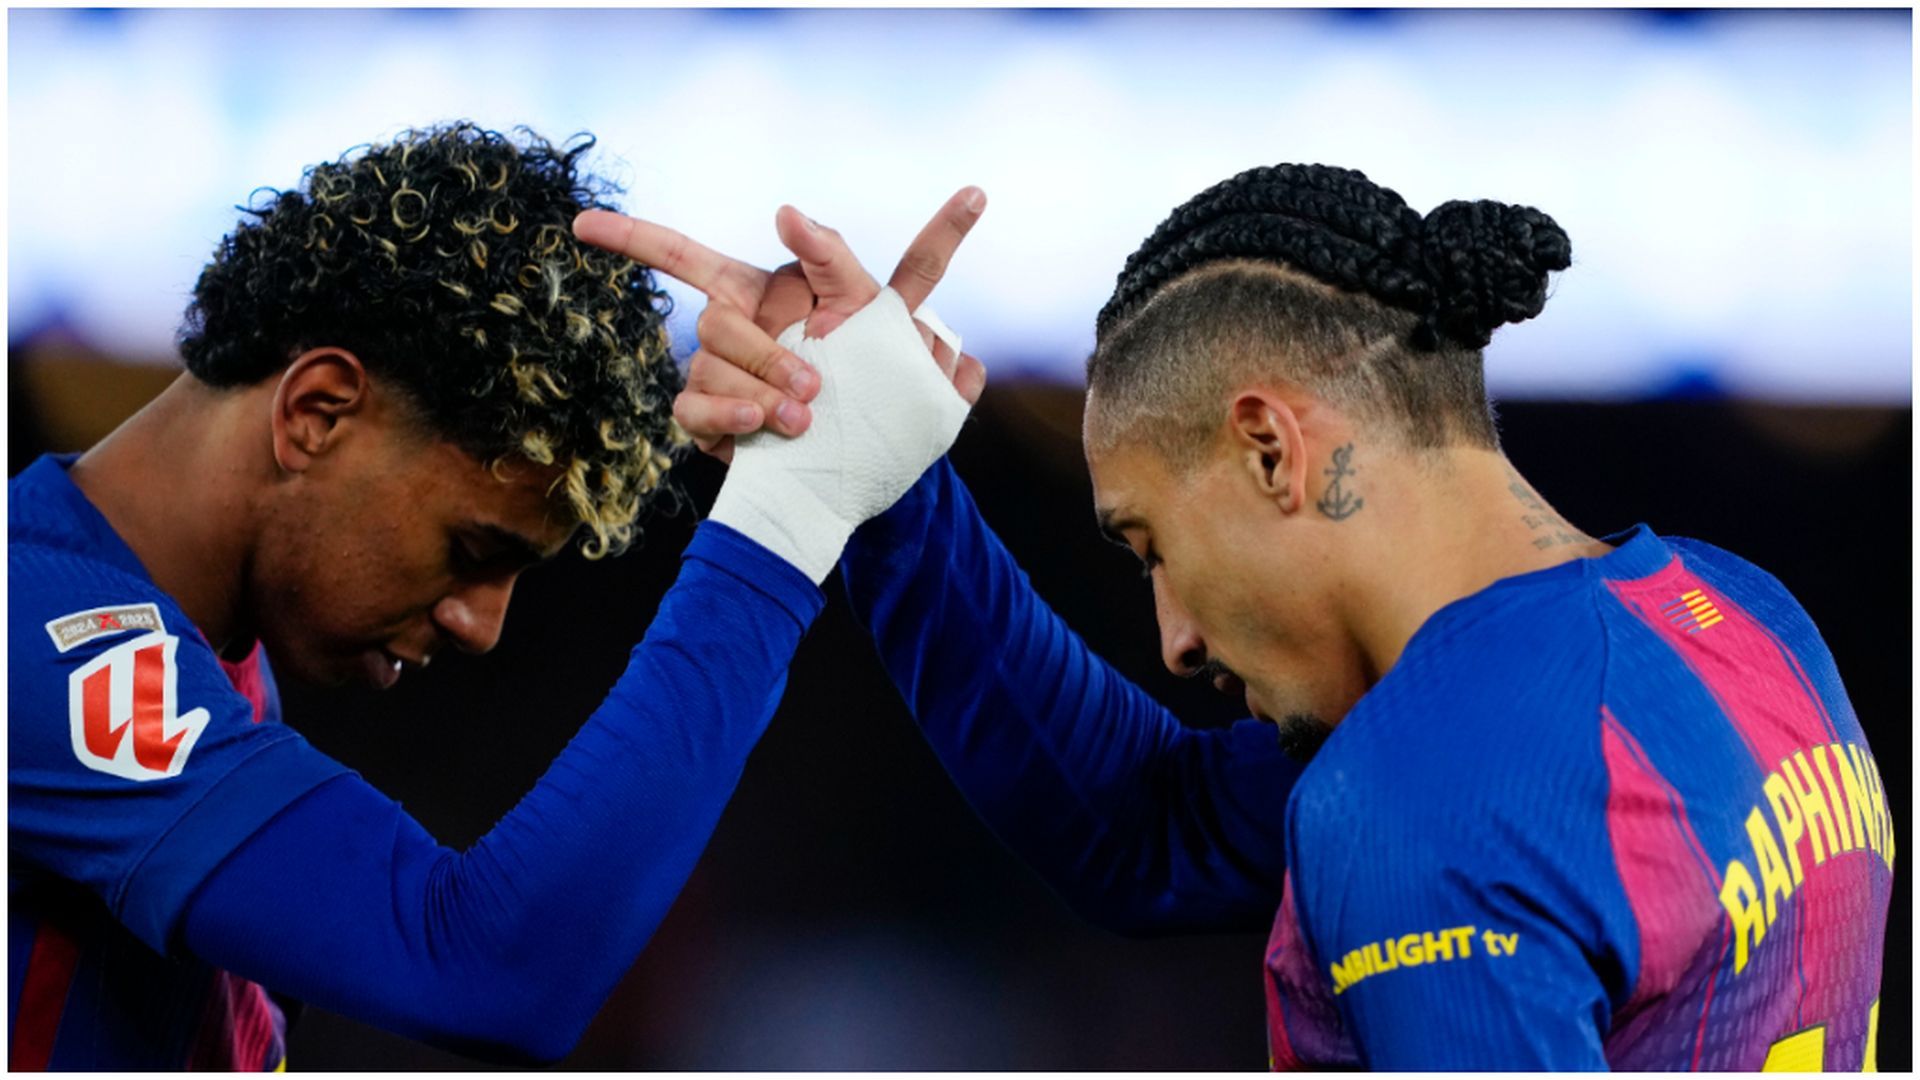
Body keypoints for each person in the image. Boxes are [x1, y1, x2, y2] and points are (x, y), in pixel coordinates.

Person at [580, 162, 1895, 1069]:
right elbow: (1151, 832)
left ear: (1271, 448)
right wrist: (877, 473)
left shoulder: (1422, 800)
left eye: (1150, 545)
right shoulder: (1743, 620)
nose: (1176, 639)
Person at [8, 121, 984, 1069]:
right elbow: (485, 966)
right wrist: (788, 518)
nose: (482, 625)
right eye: (473, 547)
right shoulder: (37, 634)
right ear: (317, 413)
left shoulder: (202, 653)